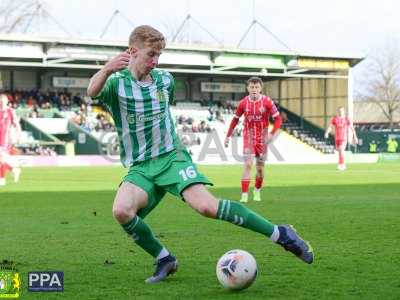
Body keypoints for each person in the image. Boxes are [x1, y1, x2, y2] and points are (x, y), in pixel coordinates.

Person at [87, 25, 313, 284]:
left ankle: (280, 233)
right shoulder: (116, 82)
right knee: (122, 211)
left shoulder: (165, 80)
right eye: (151, 54)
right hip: (141, 165)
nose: (155, 61)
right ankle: (164, 259)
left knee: (207, 206)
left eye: (159, 55)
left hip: (172, 157)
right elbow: (92, 92)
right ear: (132, 51)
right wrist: (106, 69)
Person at [224, 77, 282, 203]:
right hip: (248, 136)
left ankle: (257, 190)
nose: (254, 89)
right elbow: (235, 120)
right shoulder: (243, 103)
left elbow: (278, 119)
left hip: (263, 138)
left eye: (256, 87)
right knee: (248, 164)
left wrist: (271, 134)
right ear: (247, 88)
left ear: (260, 88)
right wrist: (228, 136)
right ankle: (244, 194)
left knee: (260, 169)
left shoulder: (267, 102)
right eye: (251, 87)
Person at [324, 106, 358, 171]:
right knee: (339, 151)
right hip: (337, 138)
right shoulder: (335, 119)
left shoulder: (346, 119)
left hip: (344, 138)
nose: (340, 112)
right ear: (338, 111)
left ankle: (341, 165)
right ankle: (342, 164)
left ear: (344, 111)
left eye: (341, 111)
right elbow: (330, 126)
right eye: (339, 111)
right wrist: (327, 133)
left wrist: (355, 137)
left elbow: (352, 128)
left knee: (341, 150)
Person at [0, 94, 22, 186]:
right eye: (0, 102)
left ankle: (2, 179)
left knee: (0, 158)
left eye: (3, 101)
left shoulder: (10, 111)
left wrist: (19, 135)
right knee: (1, 159)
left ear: (7, 102)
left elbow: (16, 124)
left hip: (5, 139)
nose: (1, 103)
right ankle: (14, 170)